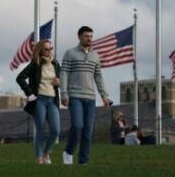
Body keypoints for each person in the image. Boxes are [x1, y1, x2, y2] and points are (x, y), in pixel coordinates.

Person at [60, 26, 110, 165]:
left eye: (91, 36)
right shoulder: (70, 53)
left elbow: (98, 76)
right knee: (77, 126)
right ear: (79, 37)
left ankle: (83, 162)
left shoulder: (96, 55)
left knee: (88, 131)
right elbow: (63, 73)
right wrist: (63, 93)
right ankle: (68, 152)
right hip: (74, 96)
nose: (89, 39)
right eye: (86, 36)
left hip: (91, 98)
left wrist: (104, 96)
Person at [16, 39, 60, 164]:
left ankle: (46, 154)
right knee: (40, 129)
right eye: (46, 49)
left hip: (53, 101)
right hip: (39, 100)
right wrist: (29, 93)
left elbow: (61, 80)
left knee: (55, 130)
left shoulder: (56, 64)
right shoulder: (35, 64)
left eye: (51, 49)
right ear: (40, 51)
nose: (50, 51)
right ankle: (39, 158)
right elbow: (20, 78)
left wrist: (59, 82)